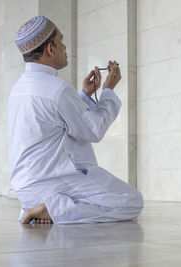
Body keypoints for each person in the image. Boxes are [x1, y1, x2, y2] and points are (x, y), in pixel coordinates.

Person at [8, 16, 143, 224]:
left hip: (26, 189)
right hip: (51, 183)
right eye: (61, 41)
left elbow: (62, 122)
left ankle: (44, 207)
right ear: (50, 50)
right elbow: (93, 130)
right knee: (131, 201)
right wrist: (108, 90)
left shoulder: (17, 89)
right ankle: (55, 209)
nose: (64, 47)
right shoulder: (57, 89)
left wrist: (85, 97)